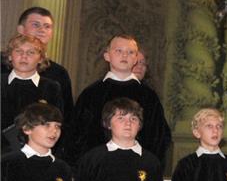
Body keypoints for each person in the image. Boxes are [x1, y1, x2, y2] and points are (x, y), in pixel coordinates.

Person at [65, 34, 172, 164]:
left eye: (130, 52)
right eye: (119, 51)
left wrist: (148, 166)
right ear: (107, 56)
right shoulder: (91, 94)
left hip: (137, 168)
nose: (124, 55)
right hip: (97, 168)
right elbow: (76, 136)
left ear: (136, 58)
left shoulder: (148, 96)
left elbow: (158, 138)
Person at [2, 34, 65, 150]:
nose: (24, 56)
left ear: (41, 58)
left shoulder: (51, 88)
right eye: (18, 51)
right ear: (10, 56)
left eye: (31, 52)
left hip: (37, 152)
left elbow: (58, 122)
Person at [10, 7, 73, 122]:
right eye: (36, 25)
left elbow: (66, 117)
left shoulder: (59, 73)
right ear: (21, 29)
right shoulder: (2, 65)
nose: (42, 30)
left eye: (47, 26)